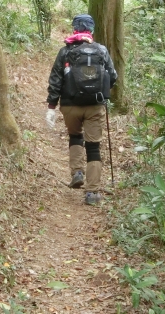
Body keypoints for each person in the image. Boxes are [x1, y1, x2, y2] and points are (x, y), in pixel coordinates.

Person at [45, 14, 117, 205]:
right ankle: (92, 193)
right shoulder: (101, 50)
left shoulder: (65, 52)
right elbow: (113, 76)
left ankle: (77, 172)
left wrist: (51, 106)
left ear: (74, 29)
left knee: (75, 136)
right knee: (93, 147)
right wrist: (99, 91)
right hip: (95, 106)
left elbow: (55, 80)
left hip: (70, 105)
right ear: (91, 30)